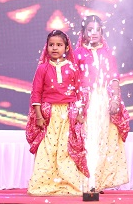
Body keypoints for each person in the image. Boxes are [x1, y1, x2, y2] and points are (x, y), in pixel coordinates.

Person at [26, 29, 88, 195]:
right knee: (47, 148)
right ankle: (42, 184)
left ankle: (70, 184)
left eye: (59, 45)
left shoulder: (73, 68)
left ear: (66, 48)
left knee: (66, 149)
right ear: (46, 47)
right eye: (51, 45)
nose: (54, 48)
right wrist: (39, 116)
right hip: (49, 115)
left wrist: (80, 113)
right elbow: (36, 93)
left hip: (68, 114)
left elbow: (80, 92)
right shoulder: (43, 68)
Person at [75, 15, 129, 192]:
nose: (94, 33)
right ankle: (86, 181)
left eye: (98, 30)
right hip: (86, 101)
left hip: (103, 99)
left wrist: (115, 99)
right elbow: (73, 81)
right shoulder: (77, 54)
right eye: (90, 29)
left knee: (103, 138)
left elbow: (114, 78)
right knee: (87, 138)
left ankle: (98, 181)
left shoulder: (107, 53)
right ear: (83, 32)